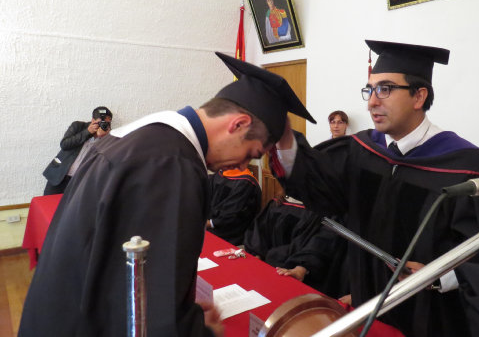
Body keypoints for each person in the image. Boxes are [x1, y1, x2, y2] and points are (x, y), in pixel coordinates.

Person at [18, 52, 316, 337]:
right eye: (251, 153)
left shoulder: (144, 137)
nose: (243, 165)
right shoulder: (172, 165)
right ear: (238, 125)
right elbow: (154, 305)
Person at [271, 40, 479, 337]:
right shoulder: (362, 151)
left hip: (431, 312)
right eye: (370, 90)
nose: (371, 102)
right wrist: (283, 137)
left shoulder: (466, 166)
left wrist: (439, 275)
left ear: (419, 96)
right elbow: (321, 190)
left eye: (386, 89)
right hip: (367, 300)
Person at [244, 192, 349, 299]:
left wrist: (301, 267)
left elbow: (322, 241)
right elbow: (260, 230)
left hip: (302, 273)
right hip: (268, 269)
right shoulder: (279, 202)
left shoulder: (328, 210)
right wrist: (256, 253)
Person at [42, 106, 113, 195]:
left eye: (106, 123)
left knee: (71, 207)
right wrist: (88, 132)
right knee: (47, 204)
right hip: (60, 174)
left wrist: (105, 138)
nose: (102, 125)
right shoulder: (78, 126)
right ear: (92, 120)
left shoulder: (109, 136)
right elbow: (64, 144)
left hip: (80, 180)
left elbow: (108, 159)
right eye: (100, 122)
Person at [206, 168, 262, 246]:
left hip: (232, 234)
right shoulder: (220, 174)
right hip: (212, 226)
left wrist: (210, 223)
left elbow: (234, 212)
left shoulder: (246, 182)